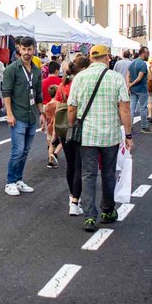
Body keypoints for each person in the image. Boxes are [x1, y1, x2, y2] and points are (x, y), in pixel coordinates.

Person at [67, 44, 133, 232]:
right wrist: (128, 134)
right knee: (108, 173)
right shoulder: (116, 78)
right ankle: (107, 210)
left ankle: (89, 216)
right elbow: (125, 108)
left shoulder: (79, 78)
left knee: (88, 174)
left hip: (87, 135)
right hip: (110, 134)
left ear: (90, 58)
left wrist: (73, 125)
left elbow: (71, 107)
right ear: (107, 58)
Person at [1, 36, 44, 197]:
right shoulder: (12, 69)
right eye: (24, 49)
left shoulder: (37, 71)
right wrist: (9, 114)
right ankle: (10, 182)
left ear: (34, 49)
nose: (26, 52)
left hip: (32, 115)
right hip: (18, 116)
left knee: (25, 151)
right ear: (19, 49)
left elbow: (38, 95)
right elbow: (6, 93)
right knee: (17, 150)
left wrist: (41, 114)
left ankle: (19, 179)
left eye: (29, 49)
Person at [56, 56, 90, 214]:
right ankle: (75, 201)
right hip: (79, 125)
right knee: (79, 165)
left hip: (63, 127)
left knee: (70, 164)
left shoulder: (62, 86)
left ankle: (72, 197)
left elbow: (56, 105)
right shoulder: (82, 84)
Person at [126, 46, 151, 133]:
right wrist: (131, 84)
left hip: (133, 89)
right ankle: (144, 126)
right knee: (143, 107)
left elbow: (127, 75)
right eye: (147, 53)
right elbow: (140, 78)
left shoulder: (132, 62)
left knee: (131, 108)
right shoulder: (143, 64)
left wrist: (128, 85)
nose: (148, 54)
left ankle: (130, 126)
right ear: (143, 53)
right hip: (141, 89)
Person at [44, 85, 61, 168]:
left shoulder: (46, 105)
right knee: (63, 142)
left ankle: (50, 161)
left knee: (51, 144)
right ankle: (55, 153)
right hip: (57, 125)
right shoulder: (58, 104)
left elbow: (45, 117)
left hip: (49, 126)